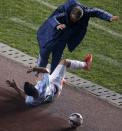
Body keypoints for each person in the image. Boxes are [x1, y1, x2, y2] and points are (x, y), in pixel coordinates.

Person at [37, 0, 119, 74]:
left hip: (63, 38)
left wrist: (109, 17)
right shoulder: (64, 11)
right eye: (72, 19)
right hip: (54, 34)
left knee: (57, 58)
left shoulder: (85, 12)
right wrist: (57, 25)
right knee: (44, 53)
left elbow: (96, 11)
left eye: (76, 20)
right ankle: (38, 72)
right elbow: (53, 18)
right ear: (70, 13)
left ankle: (53, 76)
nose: (73, 21)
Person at [6, 54, 93, 106]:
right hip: (55, 85)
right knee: (64, 62)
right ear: (34, 87)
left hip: (52, 97)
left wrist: (15, 87)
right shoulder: (43, 86)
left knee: (39, 78)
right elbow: (46, 70)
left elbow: (24, 96)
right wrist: (34, 69)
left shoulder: (30, 101)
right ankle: (86, 65)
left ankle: (62, 81)